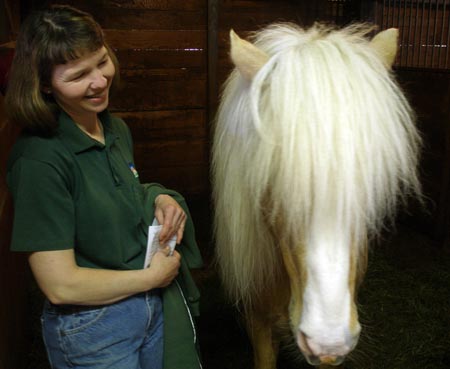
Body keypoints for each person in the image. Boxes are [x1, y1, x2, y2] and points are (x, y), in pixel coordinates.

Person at [5, 5, 202, 369]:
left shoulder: (113, 128)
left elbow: (115, 193)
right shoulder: (39, 161)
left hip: (147, 307)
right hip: (93, 328)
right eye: (79, 75)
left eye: (101, 61)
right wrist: (150, 278)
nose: (99, 80)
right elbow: (60, 285)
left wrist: (157, 196)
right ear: (44, 85)